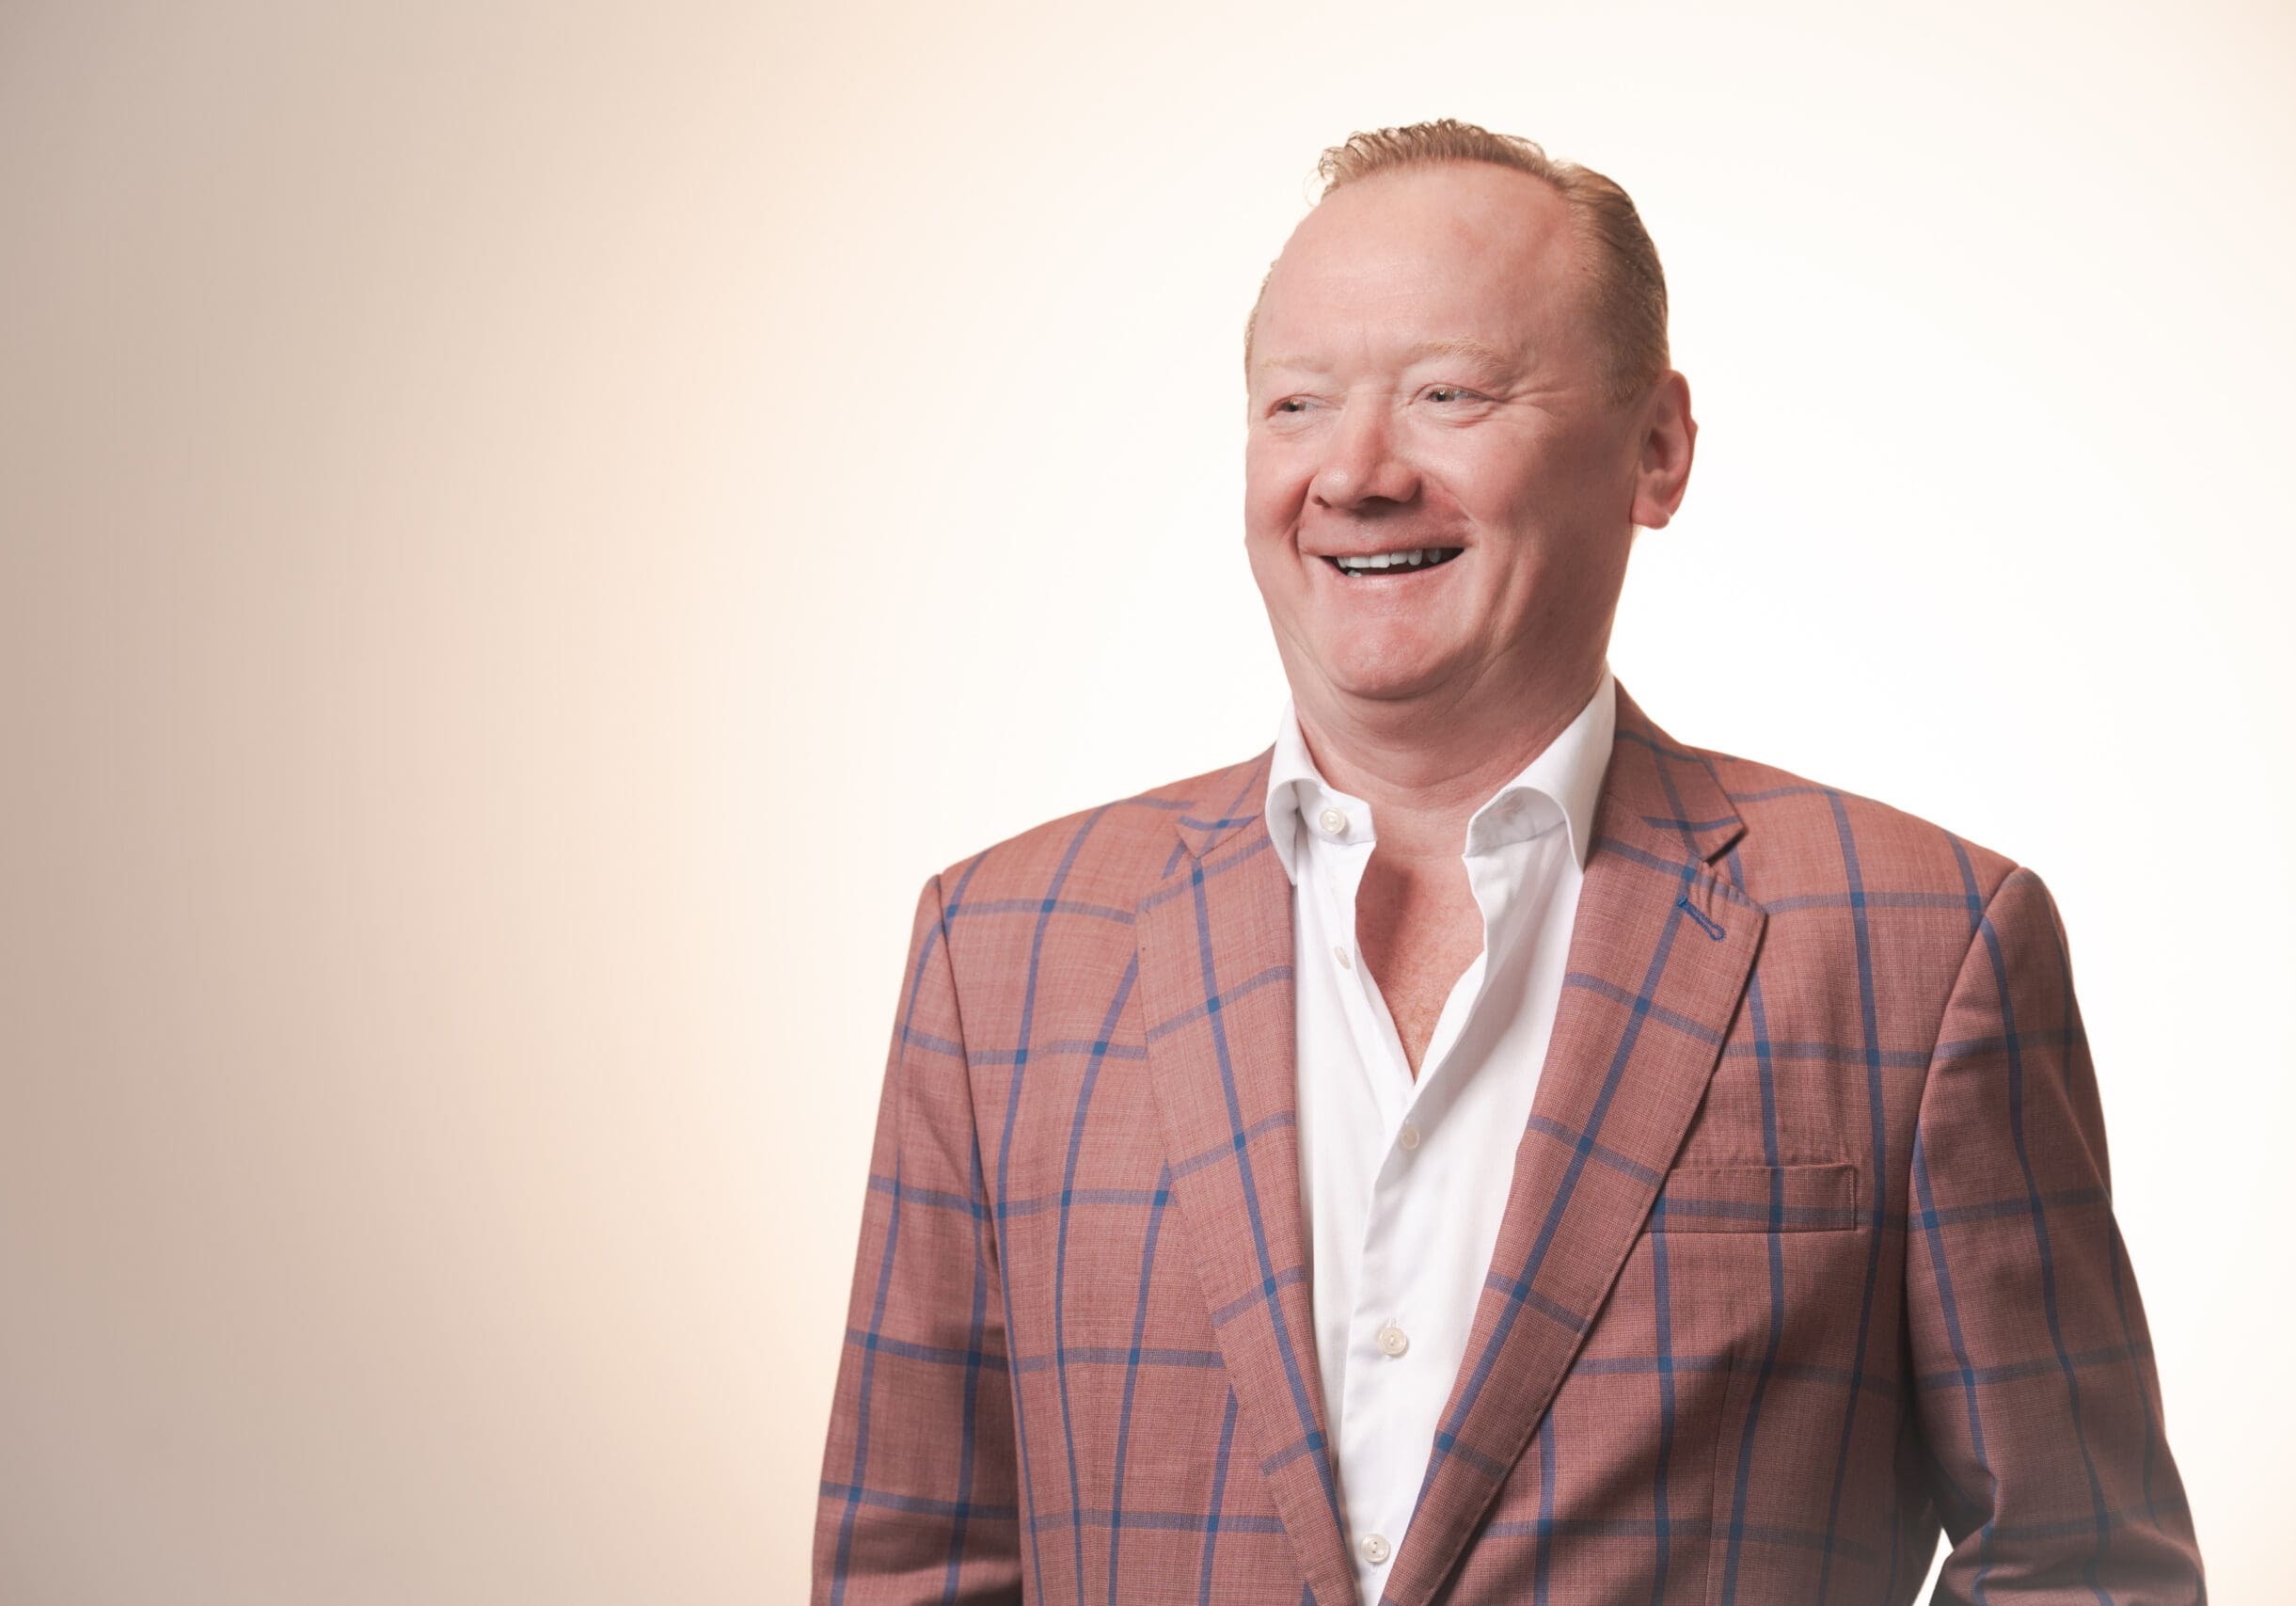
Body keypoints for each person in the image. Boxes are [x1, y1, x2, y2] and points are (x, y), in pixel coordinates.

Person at [812, 119, 2202, 1604]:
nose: (1352, 472)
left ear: (1655, 448)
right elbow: (912, 1568)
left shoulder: (1922, 946)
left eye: (1447, 395)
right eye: (1295, 404)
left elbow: (2078, 1565)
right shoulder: (1006, 953)